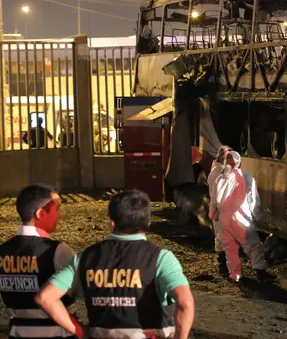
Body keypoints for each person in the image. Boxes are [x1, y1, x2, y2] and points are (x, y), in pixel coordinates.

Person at [36, 190, 195, 339]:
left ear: (112, 222)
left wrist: (79, 331)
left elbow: (46, 298)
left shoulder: (85, 257)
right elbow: (185, 303)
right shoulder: (161, 258)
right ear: (148, 222)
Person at [0, 185, 77, 339]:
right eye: (56, 209)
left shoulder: (2, 251)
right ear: (40, 214)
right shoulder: (58, 251)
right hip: (59, 333)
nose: (60, 215)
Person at [212, 151, 272, 282]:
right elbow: (253, 201)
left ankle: (235, 275)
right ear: (240, 164)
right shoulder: (247, 178)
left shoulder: (219, 179)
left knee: (229, 249)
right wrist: (258, 218)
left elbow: (214, 201)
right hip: (241, 218)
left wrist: (213, 215)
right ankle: (261, 273)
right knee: (253, 245)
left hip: (224, 219)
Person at [208, 145, 232, 278]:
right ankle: (223, 266)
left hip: (223, 210)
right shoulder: (217, 171)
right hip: (219, 210)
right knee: (222, 238)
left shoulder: (220, 170)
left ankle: (226, 266)